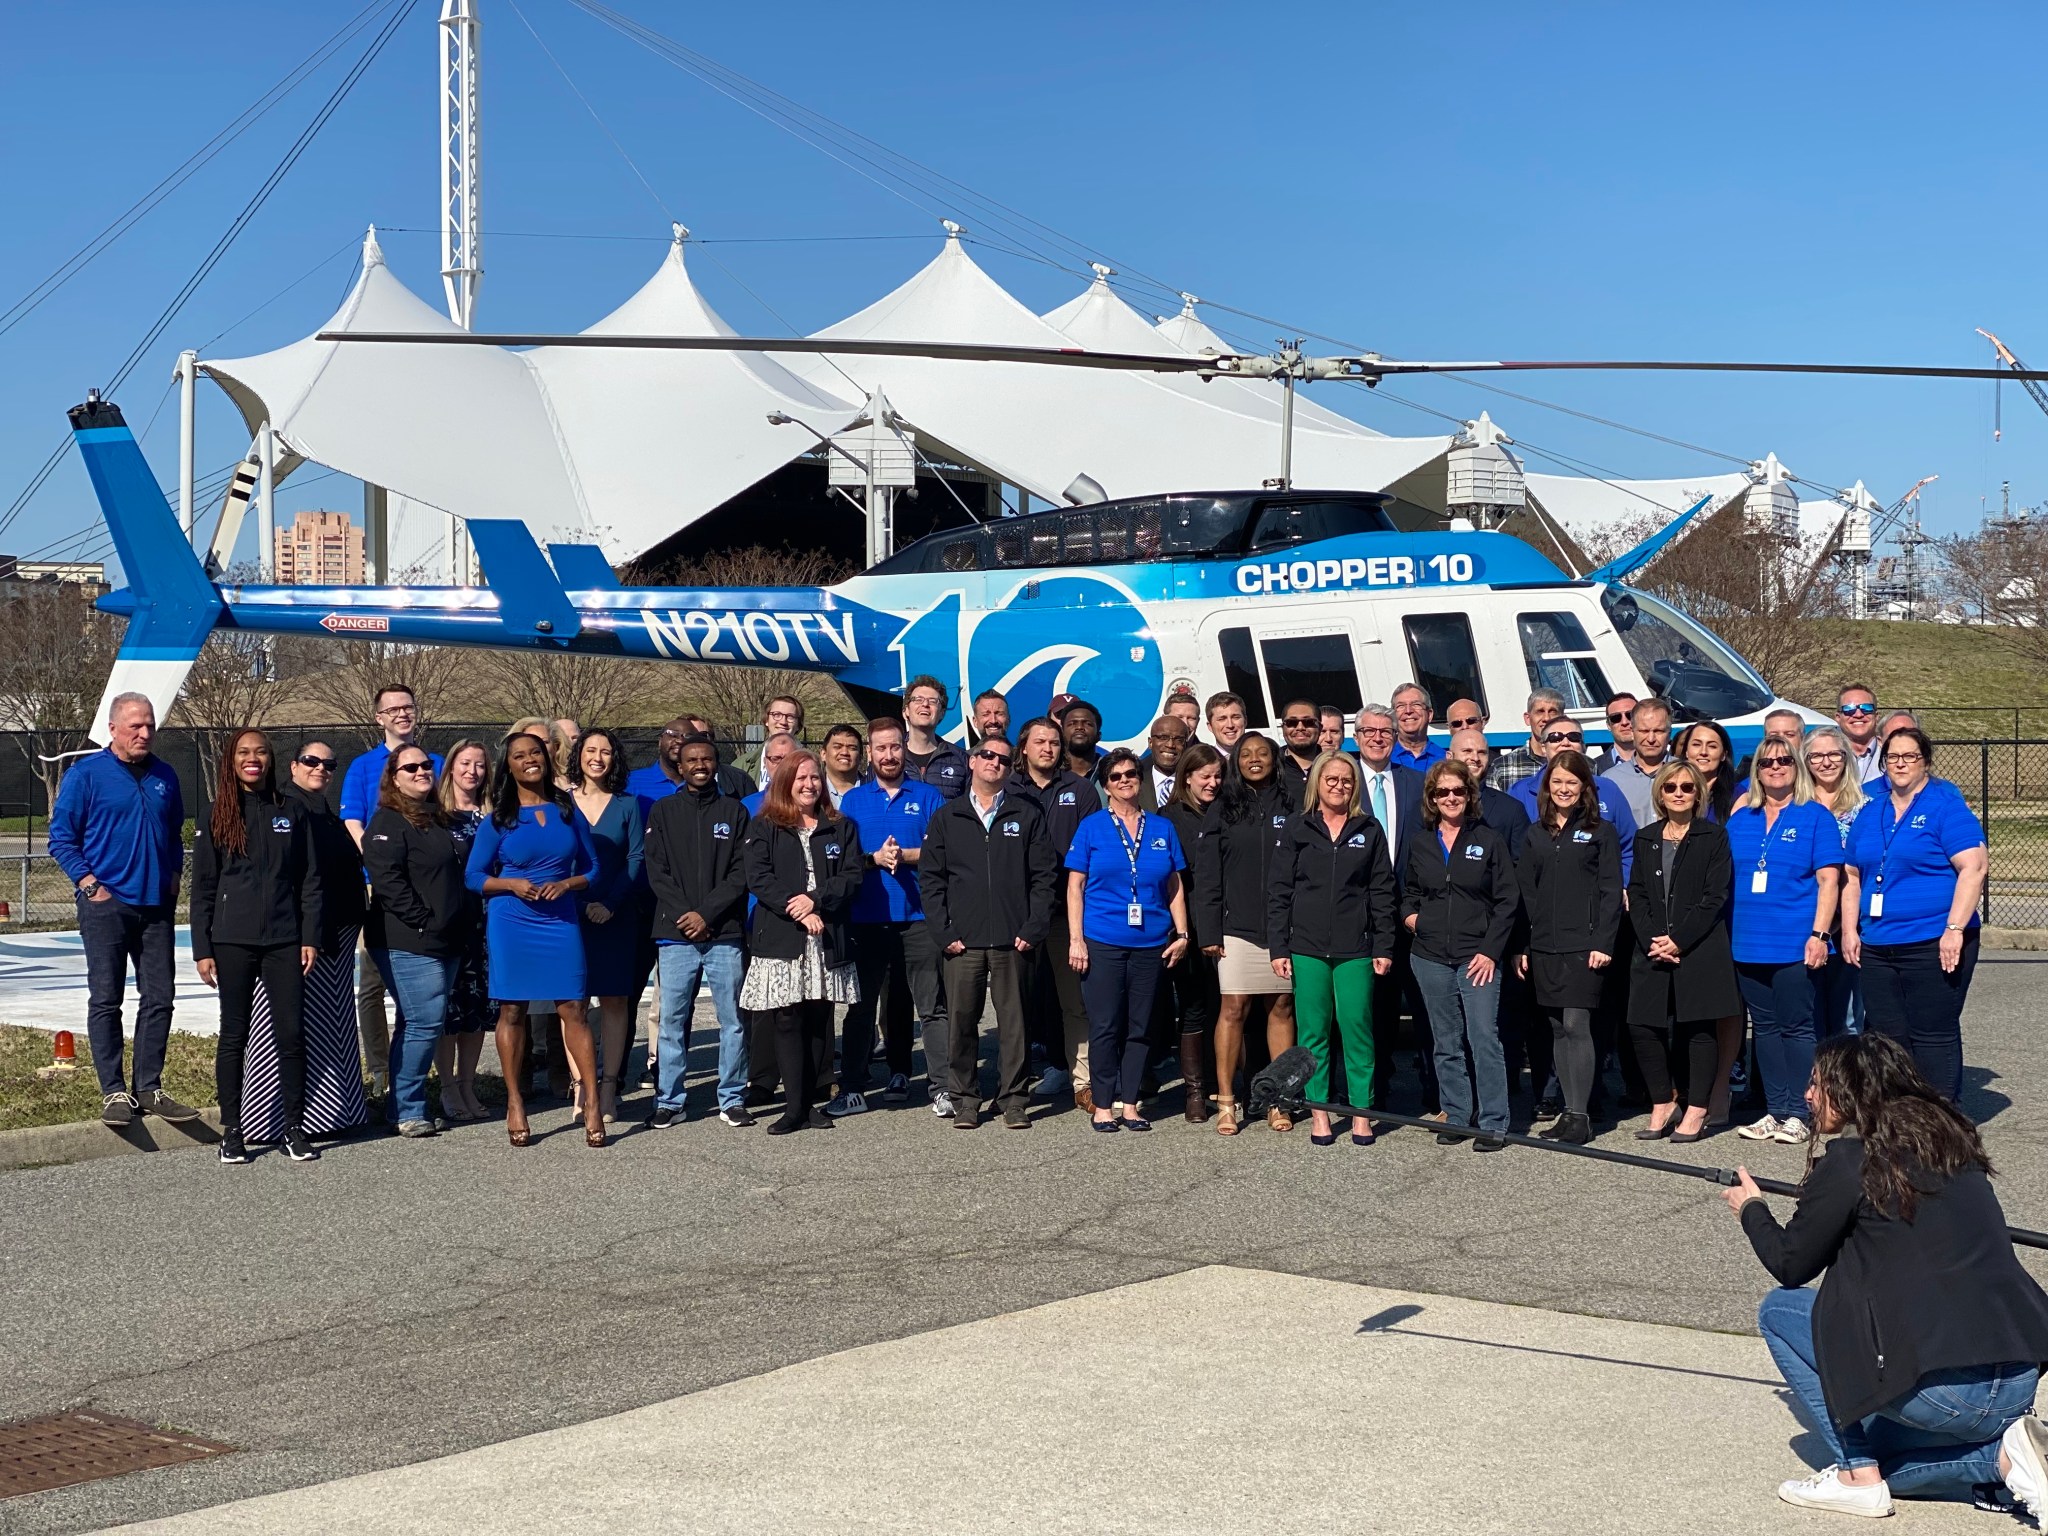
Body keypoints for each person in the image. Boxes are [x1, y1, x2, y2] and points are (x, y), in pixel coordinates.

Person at [1730, 1033, 2048, 1521]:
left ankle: (1857, 1476)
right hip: (2017, 1380)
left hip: (1949, 1393)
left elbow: (1791, 1264)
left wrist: (1751, 1208)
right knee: (1888, 1455)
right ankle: (2008, 1458)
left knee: (1778, 1310)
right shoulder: (1955, 1148)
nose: (1807, 1095)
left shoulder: (1850, 1161)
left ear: (1848, 1091)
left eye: (1816, 1083)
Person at [49, 692, 193, 1129]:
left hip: (156, 907)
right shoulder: (86, 775)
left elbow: (173, 832)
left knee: (160, 998)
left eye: (149, 725)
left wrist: (173, 874)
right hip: (106, 906)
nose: (144, 733)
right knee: (107, 999)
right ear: (113, 729)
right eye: (135, 726)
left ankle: (148, 1087)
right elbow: (61, 838)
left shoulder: (165, 774)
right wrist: (90, 885)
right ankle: (114, 1091)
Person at [191, 730, 322, 1165]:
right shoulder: (217, 813)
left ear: (270, 760)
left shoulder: (292, 810)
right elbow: (203, 887)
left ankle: (293, 1128)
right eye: (244, 752)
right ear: (231, 761)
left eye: (261, 752)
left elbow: (309, 879)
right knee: (234, 1034)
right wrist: (202, 947)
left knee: (291, 1035)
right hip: (232, 940)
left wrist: (309, 936)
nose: (253, 759)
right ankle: (233, 1131)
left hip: (285, 940)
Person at [467, 732, 604, 1148]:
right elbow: (473, 876)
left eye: (535, 753)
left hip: (560, 920)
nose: (529, 760)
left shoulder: (567, 811)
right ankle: (515, 1101)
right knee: (512, 1010)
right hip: (513, 922)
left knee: (575, 1009)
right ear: (507, 766)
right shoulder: (498, 820)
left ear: (546, 758)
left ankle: (592, 1101)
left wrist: (568, 884)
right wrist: (510, 884)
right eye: (519, 756)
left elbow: (594, 868)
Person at [1841, 727, 1986, 1104]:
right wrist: (1850, 930)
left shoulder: (1945, 807)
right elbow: (1852, 875)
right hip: (1878, 944)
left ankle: (1940, 1117)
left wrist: (1954, 929)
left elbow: (1974, 868)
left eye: (1910, 756)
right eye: (1893, 757)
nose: (1900, 764)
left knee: (1932, 1033)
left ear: (1926, 762)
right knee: (1888, 1036)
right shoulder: (1870, 812)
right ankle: (1901, 1115)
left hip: (1933, 940)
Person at [921, 735, 1056, 1129]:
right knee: (962, 1024)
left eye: (1003, 759)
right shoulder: (947, 817)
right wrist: (944, 932)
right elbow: (931, 881)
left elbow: (1044, 877)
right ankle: (965, 1100)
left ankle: (1013, 1100)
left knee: (1015, 1026)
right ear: (972, 761)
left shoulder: (1026, 814)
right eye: (987, 755)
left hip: (1014, 940)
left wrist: (1033, 926)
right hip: (962, 943)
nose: (994, 763)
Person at [1267, 751, 1395, 1146]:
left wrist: (1384, 944)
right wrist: (1279, 947)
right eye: (1331, 779)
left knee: (1357, 1030)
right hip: (1306, 947)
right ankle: (1319, 1112)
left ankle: (1361, 1114)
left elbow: (1382, 891)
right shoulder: (1298, 826)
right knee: (1313, 1034)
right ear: (1317, 783)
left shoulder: (1368, 829)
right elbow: (1279, 890)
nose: (1339, 786)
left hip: (1355, 948)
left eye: (1346, 780)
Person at [1065, 746, 1191, 1131]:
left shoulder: (1161, 828)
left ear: (1140, 779)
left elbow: (1174, 885)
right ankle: (1103, 1105)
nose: (1124, 781)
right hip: (1103, 939)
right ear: (1106, 785)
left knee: (1141, 1026)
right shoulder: (1091, 827)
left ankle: (1131, 1103)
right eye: (1116, 776)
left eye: (1131, 774)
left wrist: (1182, 933)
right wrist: (1076, 940)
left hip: (1151, 943)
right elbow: (1075, 887)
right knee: (1106, 1024)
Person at [741, 750, 864, 1134]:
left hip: (826, 935)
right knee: (787, 1017)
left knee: (818, 1019)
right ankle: (793, 1108)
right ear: (785, 783)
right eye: (801, 778)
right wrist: (799, 909)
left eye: (814, 777)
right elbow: (758, 878)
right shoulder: (765, 826)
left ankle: (810, 1104)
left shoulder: (841, 826)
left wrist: (816, 900)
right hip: (783, 936)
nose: (809, 785)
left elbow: (852, 876)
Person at [1727, 739, 1842, 1147]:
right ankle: (1775, 1110)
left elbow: (1829, 881)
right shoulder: (1741, 818)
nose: (1776, 767)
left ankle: (1801, 1111)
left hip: (1796, 942)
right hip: (1747, 943)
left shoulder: (1815, 817)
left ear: (1797, 767)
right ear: (1756, 770)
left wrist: (1820, 934)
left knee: (1797, 1027)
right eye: (1767, 762)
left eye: (1785, 760)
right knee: (1765, 1028)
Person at [1403, 759, 1519, 1151]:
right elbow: (1409, 890)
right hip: (1430, 955)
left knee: (1484, 1038)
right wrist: (1412, 918)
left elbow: (1507, 900)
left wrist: (1490, 951)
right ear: (1432, 798)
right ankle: (1456, 1114)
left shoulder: (1489, 839)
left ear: (1469, 795)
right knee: (1445, 1041)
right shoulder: (1421, 842)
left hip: (1477, 958)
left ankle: (1493, 1122)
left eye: (1458, 790)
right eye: (1442, 792)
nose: (1450, 797)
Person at [1626, 761, 1741, 1143]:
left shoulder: (1714, 836)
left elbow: (1714, 896)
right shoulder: (1645, 838)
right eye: (1671, 787)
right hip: (1652, 948)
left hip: (1698, 946)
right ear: (1660, 793)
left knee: (1698, 1028)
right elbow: (1637, 893)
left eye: (1687, 787)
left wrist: (1678, 939)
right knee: (1642, 1025)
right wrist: (1653, 939)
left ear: (1698, 794)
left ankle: (1696, 1108)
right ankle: (1663, 1102)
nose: (1678, 793)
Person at [644, 733, 754, 1129]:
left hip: (724, 933)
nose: (700, 766)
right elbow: (656, 870)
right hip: (675, 934)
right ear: (681, 766)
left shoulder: (735, 811)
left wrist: (706, 914)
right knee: (672, 1022)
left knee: (733, 1020)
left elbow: (741, 872)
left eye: (706, 759)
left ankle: (732, 1098)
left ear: (716, 764)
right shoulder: (663, 811)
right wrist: (685, 915)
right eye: (691, 760)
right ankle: (669, 1101)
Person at [834, 718, 943, 1116]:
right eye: (881, 748)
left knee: (926, 1006)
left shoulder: (928, 796)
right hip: (868, 918)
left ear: (904, 749)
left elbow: (944, 850)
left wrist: (908, 855)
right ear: (870, 752)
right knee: (861, 1007)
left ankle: (936, 1085)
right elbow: (844, 858)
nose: (889, 755)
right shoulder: (853, 801)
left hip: (919, 917)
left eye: (895, 747)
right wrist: (874, 858)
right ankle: (852, 1086)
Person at [362, 747, 471, 1139]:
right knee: (425, 1020)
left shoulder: (438, 817)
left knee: (416, 1021)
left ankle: (404, 1105)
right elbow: (388, 881)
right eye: (411, 767)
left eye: (426, 765)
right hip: (408, 939)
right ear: (394, 777)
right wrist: (425, 920)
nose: (421, 771)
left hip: (447, 938)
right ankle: (409, 1109)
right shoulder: (387, 822)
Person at [340, 684, 443, 1100]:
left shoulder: (433, 763)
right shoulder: (363, 767)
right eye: (393, 709)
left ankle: (419, 1069)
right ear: (379, 717)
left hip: (430, 885)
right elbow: (352, 821)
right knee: (373, 982)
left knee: (425, 987)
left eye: (408, 707)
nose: (402, 713)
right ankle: (381, 1070)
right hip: (377, 884)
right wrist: (380, 863)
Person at [1515, 749, 1621, 1146]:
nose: (1564, 789)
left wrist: (1603, 941)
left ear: (1585, 787)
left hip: (1585, 946)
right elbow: (1526, 892)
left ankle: (1581, 1115)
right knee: (1557, 1029)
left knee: (1577, 1025)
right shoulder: (1535, 833)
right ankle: (1568, 1110)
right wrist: (1523, 945)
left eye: (1571, 782)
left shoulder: (1600, 831)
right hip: (1545, 945)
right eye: (1557, 782)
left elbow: (1611, 891)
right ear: (1547, 786)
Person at [272, 741, 372, 1140]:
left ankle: (341, 1110)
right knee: (310, 1027)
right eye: (311, 761)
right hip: (310, 934)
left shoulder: (322, 810)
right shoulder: (287, 807)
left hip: (339, 930)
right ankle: (308, 1115)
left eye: (329, 764)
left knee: (337, 1023)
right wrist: (306, 933)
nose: (321, 769)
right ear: (293, 766)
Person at [1200, 733, 1297, 1136]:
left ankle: (1278, 1099)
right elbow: (1208, 873)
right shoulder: (1223, 806)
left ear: (1275, 759)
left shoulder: (1293, 803)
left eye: (1262, 753)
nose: (1255, 759)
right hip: (1235, 928)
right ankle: (1227, 1100)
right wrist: (1209, 929)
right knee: (1233, 1009)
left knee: (1281, 1008)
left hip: (1284, 927)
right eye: (1246, 754)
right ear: (1236, 762)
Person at [1012, 716, 1101, 1110]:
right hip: (1018, 913)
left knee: (1074, 1001)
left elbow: (1091, 851)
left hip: (1067, 913)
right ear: (1024, 747)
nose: (1047, 748)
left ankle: (1083, 1080)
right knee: (1015, 1002)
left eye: (1053, 742)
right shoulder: (1008, 788)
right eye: (1040, 742)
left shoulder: (1080, 790)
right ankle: (1013, 1085)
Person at [569, 727, 647, 1123]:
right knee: (574, 1004)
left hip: (616, 915)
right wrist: (580, 905)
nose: (597, 758)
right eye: (590, 750)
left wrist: (610, 904)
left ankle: (609, 1088)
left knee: (616, 1001)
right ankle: (581, 1089)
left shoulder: (627, 804)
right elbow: (555, 860)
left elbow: (636, 858)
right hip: (570, 915)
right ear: (578, 755)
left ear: (615, 758)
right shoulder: (561, 803)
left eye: (605, 751)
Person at [1353, 702, 1427, 1111]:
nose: (1377, 738)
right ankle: (1373, 1091)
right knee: (1372, 1010)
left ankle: (1434, 1092)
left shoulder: (1416, 782)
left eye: (1385, 731)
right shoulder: (1343, 782)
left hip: (1410, 913)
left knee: (1422, 1005)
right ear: (1357, 737)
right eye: (1369, 731)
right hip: (1360, 916)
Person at [1163, 742, 1225, 1121]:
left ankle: (1225, 1084)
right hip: (1187, 925)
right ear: (1187, 777)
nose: (1213, 783)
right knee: (1194, 1007)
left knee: (1227, 1007)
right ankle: (1195, 1091)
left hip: (1227, 923)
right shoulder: (1168, 818)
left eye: (1218, 776)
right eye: (1205, 776)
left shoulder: (1229, 812)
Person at [432, 739, 493, 1120]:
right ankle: (447, 1087)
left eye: (480, 765)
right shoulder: (436, 816)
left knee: (477, 1008)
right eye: (465, 763)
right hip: (449, 922)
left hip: (486, 924)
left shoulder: (493, 816)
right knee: (448, 1010)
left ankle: (468, 1084)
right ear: (451, 767)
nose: (472, 771)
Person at [1803, 724, 1868, 1040]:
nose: (1826, 762)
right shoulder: (1796, 807)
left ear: (1846, 758)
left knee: (1847, 1016)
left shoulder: (1865, 808)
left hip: (1849, 922)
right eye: (1816, 756)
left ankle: (1848, 1072)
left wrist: (1845, 923)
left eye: (1834, 754)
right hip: (1806, 920)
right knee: (1808, 1013)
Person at [628, 715, 754, 811]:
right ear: (660, 741)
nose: (679, 740)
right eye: (673, 735)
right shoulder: (631, 782)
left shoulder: (711, 788)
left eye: (688, 736)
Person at [1448, 729, 1532, 857]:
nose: (1475, 758)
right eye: (1467, 751)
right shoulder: (1433, 804)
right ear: (1450, 757)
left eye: (1481, 752)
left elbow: (1522, 863)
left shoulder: (1511, 810)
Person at [1601, 696, 1673, 827]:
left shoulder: (1688, 774)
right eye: (1644, 731)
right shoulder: (1610, 780)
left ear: (1669, 733)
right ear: (1633, 732)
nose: (1651, 739)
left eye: (1658, 731)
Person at [1484, 688, 1566, 791]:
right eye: (1540, 712)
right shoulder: (1503, 767)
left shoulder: (1581, 764)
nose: (1546, 718)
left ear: (1563, 719)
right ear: (1527, 718)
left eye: (1553, 712)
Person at [902, 676, 968, 798]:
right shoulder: (890, 757)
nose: (925, 704)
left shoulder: (960, 759)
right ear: (906, 710)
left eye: (933, 701)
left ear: (942, 713)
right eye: (918, 699)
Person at [1676, 720, 1738, 822]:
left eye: (1712, 746)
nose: (1703, 752)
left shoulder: (1736, 795)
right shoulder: (1672, 790)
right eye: (1696, 744)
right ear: (1686, 751)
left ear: (1723, 755)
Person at [1835, 684, 1885, 786]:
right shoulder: (1826, 758)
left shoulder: (1891, 755)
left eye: (1866, 708)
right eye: (1849, 709)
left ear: (1876, 716)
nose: (1858, 715)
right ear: (1838, 718)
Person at [1276, 698, 1324, 803]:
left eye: (1308, 722)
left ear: (1320, 728)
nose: (1300, 727)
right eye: (1291, 722)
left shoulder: (1334, 765)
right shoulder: (1271, 768)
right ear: (1283, 728)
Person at [1390, 682, 1445, 772]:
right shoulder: (1384, 757)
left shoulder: (1445, 759)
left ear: (1429, 715)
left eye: (1416, 704)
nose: (1408, 711)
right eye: (1401, 706)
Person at [1141, 715, 1189, 808]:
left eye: (1178, 740)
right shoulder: (1135, 782)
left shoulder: (1194, 784)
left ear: (1185, 746)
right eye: (1163, 737)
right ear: (1150, 743)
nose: (1170, 745)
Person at [1588, 691, 1638, 774]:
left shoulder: (1660, 763)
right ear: (1608, 725)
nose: (1624, 722)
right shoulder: (1593, 769)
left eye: (1630, 715)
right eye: (1616, 717)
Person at [1057, 696, 1105, 779]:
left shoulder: (1112, 772)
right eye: (1072, 724)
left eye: (1088, 724)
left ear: (1098, 735)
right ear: (1061, 734)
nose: (1079, 727)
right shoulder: (1049, 772)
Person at [820, 723, 865, 809]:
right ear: (823, 754)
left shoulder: (876, 792)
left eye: (852, 748)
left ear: (860, 757)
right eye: (837, 747)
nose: (844, 752)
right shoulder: (812, 791)